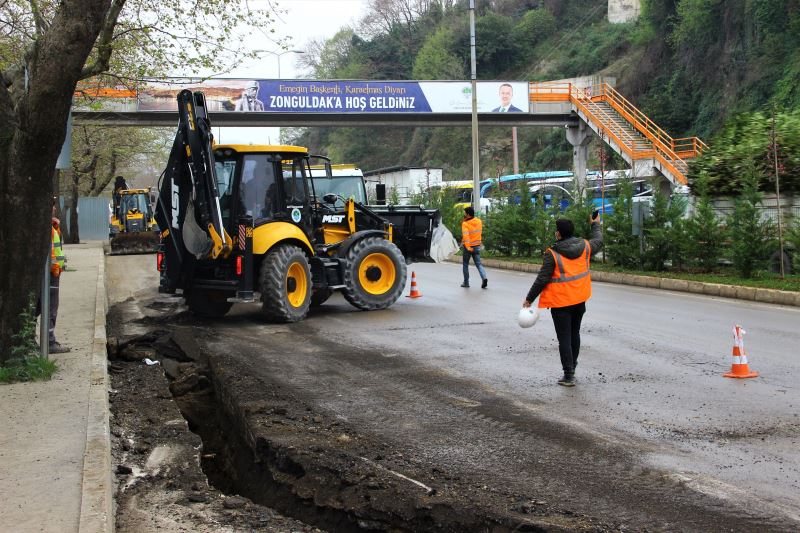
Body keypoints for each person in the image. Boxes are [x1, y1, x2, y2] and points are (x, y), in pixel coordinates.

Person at [522, 213, 603, 387]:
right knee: (575, 334)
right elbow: (599, 240)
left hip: (561, 304)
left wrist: (529, 299)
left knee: (564, 338)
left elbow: (542, 279)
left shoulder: (552, 253)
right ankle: (572, 366)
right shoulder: (585, 246)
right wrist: (595, 224)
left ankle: (568, 375)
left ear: (558, 234)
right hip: (579, 300)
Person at [48, 200, 70, 353]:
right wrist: (56, 267)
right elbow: (52, 252)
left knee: (49, 307)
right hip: (51, 274)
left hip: (54, 272)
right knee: (50, 308)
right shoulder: (48, 229)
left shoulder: (53, 227)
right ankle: (49, 342)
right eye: (52, 205)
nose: (54, 208)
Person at [461, 206, 488, 289]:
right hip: (477, 246)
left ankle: (466, 282)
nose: (464, 214)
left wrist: (468, 247)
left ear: (468, 214)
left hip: (468, 247)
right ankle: (484, 278)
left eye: (465, 213)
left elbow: (466, 236)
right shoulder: (479, 221)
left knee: (465, 264)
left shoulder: (465, 224)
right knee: (479, 264)